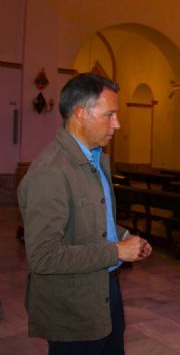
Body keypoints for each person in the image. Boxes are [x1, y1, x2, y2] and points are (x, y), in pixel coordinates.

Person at [18, 73, 152, 354]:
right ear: (81, 114)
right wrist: (116, 252)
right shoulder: (51, 172)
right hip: (72, 306)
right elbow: (43, 256)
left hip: (105, 290)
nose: (117, 124)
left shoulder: (93, 158)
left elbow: (91, 217)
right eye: (110, 115)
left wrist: (126, 237)